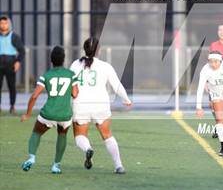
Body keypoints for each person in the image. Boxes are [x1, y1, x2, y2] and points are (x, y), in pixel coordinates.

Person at [70, 37, 132, 174]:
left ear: (84, 49)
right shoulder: (105, 66)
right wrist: (126, 99)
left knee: (80, 135)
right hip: (100, 105)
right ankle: (119, 166)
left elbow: (70, 85)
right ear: (98, 50)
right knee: (107, 135)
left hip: (81, 105)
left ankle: (88, 149)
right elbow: (117, 86)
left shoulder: (75, 65)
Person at [21, 46, 78, 174]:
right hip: (65, 115)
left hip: (48, 113)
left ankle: (31, 157)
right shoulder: (70, 74)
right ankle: (56, 166)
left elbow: (35, 95)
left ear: (51, 60)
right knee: (62, 135)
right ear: (63, 60)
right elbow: (75, 94)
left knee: (36, 133)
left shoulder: (46, 75)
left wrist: (27, 114)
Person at [0, 16, 25, 115]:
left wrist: (18, 62)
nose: (3, 25)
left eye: (5, 23)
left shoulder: (14, 37)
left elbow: (22, 51)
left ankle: (12, 106)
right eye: (1, 23)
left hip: (10, 64)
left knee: (11, 86)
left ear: (8, 24)